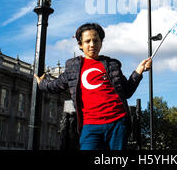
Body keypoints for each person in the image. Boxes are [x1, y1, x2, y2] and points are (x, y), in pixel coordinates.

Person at [34, 22, 152, 150]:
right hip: (90, 125)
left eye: (96, 41)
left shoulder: (112, 64)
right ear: (80, 44)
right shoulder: (72, 67)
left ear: (101, 43)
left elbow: (127, 91)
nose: (92, 45)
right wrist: (41, 83)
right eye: (87, 41)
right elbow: (55, 86)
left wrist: (138, 72)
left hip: (117, 123)